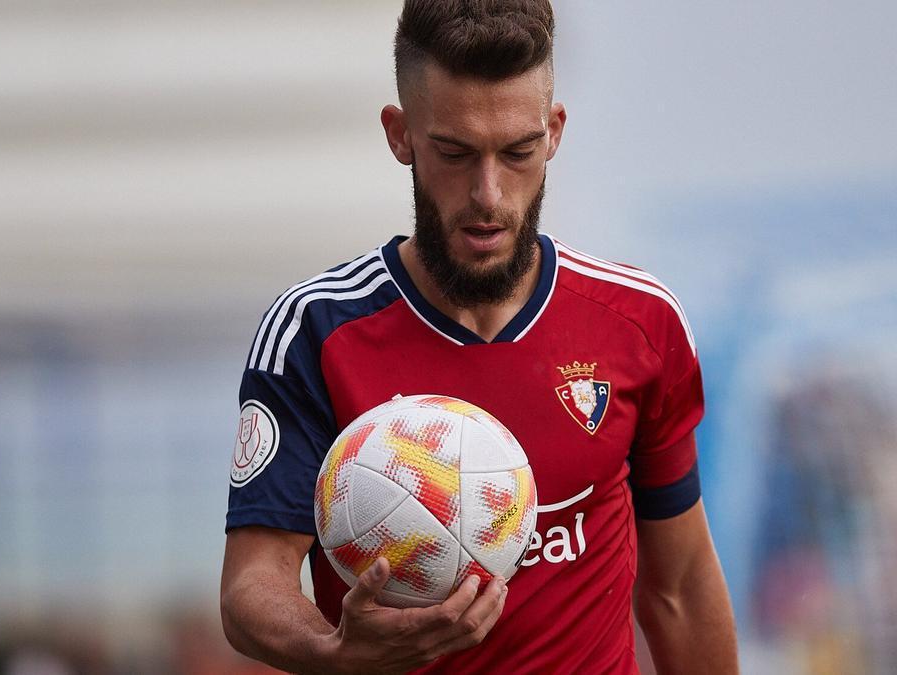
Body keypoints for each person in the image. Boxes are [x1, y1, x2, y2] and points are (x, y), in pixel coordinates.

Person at [219, 1, 738, 672]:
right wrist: (334, 649)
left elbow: (680, 589)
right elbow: (250, 586)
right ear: (400, 134)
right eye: (455, 153)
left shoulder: (640, 321)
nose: (488, 194)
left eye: (517, 152)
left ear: (553, 132)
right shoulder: (314, 332)